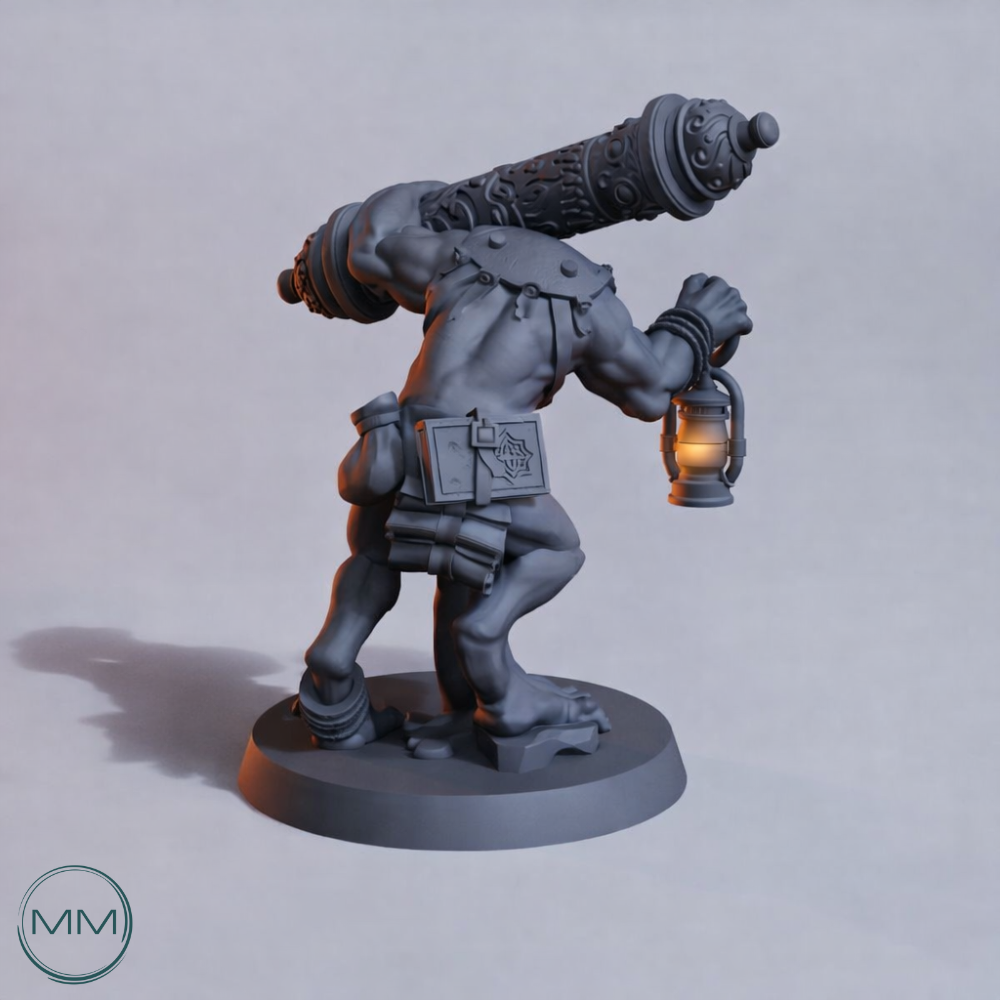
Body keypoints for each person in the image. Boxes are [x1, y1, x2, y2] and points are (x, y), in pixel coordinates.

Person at [294, 181, 752, 749]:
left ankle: (335, 661)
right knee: (557, 550)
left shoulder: (459, 253)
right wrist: (695, 319)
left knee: (375, 553)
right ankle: (490, 654)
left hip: (399, 433)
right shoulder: (590, 304)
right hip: (478, 447)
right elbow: (653, 388)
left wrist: (449, 198)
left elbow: (370, 245)